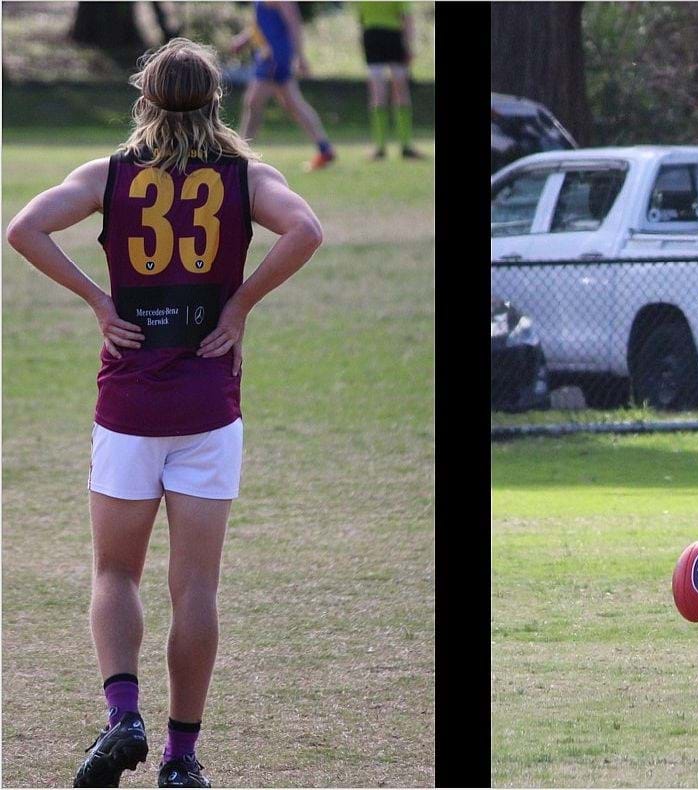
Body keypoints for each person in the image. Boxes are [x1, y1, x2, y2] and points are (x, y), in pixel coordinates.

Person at [6, 38, 324, 787]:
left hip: (128, 404)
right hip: (208, 404)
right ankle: (181, 761)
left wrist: (97, 299)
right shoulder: (246, 176)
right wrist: (240, 303)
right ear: (217, 100)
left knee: (115, 572)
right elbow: (307, 229)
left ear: (144, 99)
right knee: (197, 589)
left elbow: (21, 227)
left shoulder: (109, 175)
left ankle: (124, 716)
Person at [232, 0, 337, 171]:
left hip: (275, 56)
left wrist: (300, 57)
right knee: (292, 103)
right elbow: (261, 24)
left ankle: (239, 154)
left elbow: (294, 23)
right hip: (271, 55)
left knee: (253, 102)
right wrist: (244, 40)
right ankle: (325, 148)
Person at [356, 1, 425, 161]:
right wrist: (409, 46)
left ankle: (380, 147)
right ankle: (406, 145)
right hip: (394, 37)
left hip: (371, 36)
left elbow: (360, 18)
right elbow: (407, 18)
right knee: (401, 90)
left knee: (377, 91)